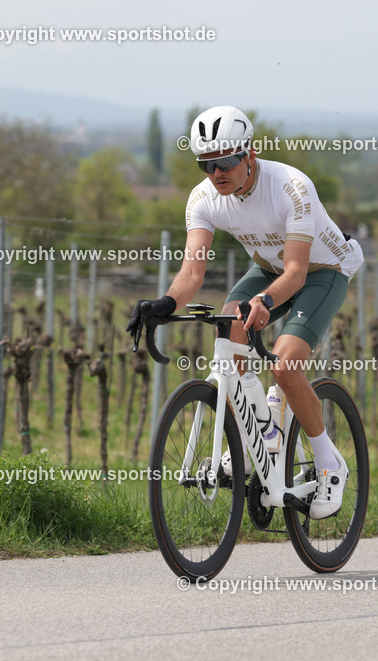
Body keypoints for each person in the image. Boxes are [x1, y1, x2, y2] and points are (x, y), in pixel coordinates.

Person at [127, 105, 363, 519]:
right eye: (206, 164)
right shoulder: (203, 199)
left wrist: (266, 302)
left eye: (227, 161)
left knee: (287, 365)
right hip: (270, 268)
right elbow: (192, 271)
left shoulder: (290, 186)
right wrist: (164, 304)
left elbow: (296, 272)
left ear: (249, 154)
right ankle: (264, 432)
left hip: (323, 269)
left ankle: (330, 465)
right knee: (229, 333)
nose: (217, 172)